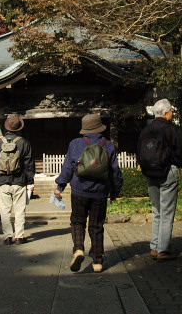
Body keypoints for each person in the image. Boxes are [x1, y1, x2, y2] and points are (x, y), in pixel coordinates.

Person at [54, 113, 123, 273]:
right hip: (100, 192)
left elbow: (68, 168)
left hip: (79, 190)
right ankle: (97, 261)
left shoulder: (75, 144)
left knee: (78, 221)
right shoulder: (108, 145)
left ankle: (78, 249)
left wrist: (60, 187)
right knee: (97, 225)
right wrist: (115, 191)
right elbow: (115, 172)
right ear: (100, 128)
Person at [137, 99, 182, 261]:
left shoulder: (146, 130)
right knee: (167, 212)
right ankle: (164, 249)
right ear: (165, 113)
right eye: (171, 111)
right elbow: (179, 152)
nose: (172, 114)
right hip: (167, 172)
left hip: (150, 173)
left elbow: (139, 152)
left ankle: (154, 247)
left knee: (156, 211)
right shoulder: (172, 129)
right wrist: (179, 164)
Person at [0, 115, 35, 245]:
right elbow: (29, 164)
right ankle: (19, 236)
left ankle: (7, 236)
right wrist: (30, 181)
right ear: (18, 128)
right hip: (19, 181)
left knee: (5, 210)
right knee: (20, 209)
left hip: (2, 181)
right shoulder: (24, 142)